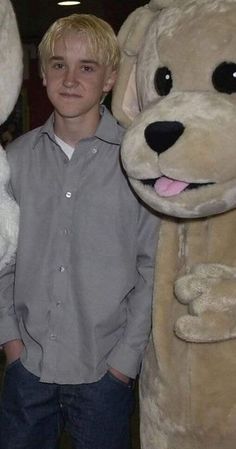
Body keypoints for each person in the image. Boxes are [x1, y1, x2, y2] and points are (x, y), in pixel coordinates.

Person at [0, 13, 158, 449]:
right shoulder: (14, 160)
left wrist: (123, 366)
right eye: (58, 64)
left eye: (87, 67)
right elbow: (3, 260)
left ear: (109, 78)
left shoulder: (137, 162)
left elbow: (151, 271)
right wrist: (12, 345)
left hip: (104, 377)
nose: (70, 79)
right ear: (42, 72)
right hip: (27, 373)